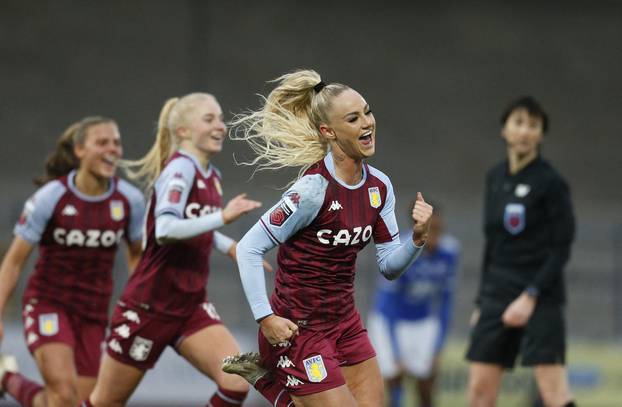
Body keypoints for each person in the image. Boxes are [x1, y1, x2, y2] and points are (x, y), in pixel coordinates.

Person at [223, 69, 434, 407]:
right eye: (353, 118)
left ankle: (265, 379)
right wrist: (266, 319)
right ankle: (270, 381)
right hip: (298, 330)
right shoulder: (312, 190)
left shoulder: (379, 187)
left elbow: (389, 266)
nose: (367, 123)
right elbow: (249, 248)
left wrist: (418, 239)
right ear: (328, 131)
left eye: (367, 112)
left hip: (346, 323)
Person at [84, 93, 263, 407]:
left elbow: (194, 225)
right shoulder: (180, 170)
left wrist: (231, 246)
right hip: (148, 308)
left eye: (220, 118)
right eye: (209, 119)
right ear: (182, 131)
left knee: (236, 380)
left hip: (190, 306)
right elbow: (165, 230)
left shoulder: (212, 175)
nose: (220, 126)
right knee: (105, 402)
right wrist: (223, 216)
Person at [0, 117, 145, 407]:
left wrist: (140, 307)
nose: (112, 149)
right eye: (102, 142)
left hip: (93, 312)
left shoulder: (130, 200)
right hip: (48, 304)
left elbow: (137, 257)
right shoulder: (50, 197)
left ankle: (7, 379)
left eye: (116, 143)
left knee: (72, 402)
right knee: (63, 393)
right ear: (79, 150)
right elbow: (14, 261)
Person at [466, 96, 577, 407]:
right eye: (518, 123)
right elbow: (492, 243)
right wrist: (480, 301)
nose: (525, 131)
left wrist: (531, 296)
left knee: (553, 393)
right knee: (478, 391)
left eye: (533, 125)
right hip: (497, 290)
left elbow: (561, 248)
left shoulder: (551, 182)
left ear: (541, 134)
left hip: (541, 293)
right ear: (504, 130)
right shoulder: (495, 178)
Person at [368, 205, 460, 407]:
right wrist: (396, 354)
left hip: (423, 321)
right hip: (389, 322)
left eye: (439, 229)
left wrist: (438, 347)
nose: (435, 235)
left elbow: (446, 301)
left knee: (426, 384)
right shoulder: (400, 251)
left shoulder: (449, 251)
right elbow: (388, 304)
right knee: (394, 380)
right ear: (417, 227)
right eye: (430, 229)